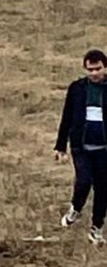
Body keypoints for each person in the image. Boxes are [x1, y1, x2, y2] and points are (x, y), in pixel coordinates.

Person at [55, 49, 107, 246]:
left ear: (105, 67)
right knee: (83, 181)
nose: (94, 73)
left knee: (103, 189)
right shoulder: (76, 88)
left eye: (98, 69)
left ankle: (96, 229)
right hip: (81, 147)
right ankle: (75, 209)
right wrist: (60, 146)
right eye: (90, 69)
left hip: (104, 149)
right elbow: (67, 117)